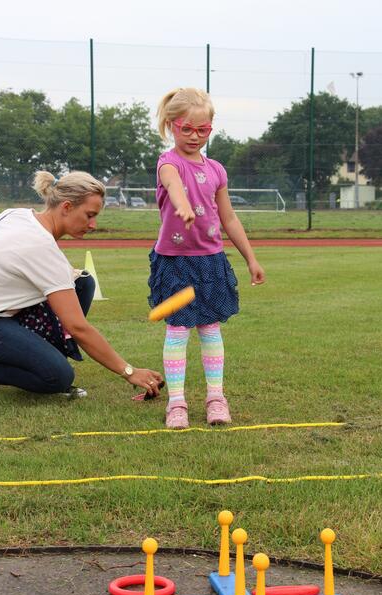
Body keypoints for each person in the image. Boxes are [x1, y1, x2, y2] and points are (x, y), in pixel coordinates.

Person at [0, 170, 163, 398]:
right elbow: (78, 327)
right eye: (89, 215)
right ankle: (45, 363)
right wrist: (129, 371)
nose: (93, 224)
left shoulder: (15, 214)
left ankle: (48, 353)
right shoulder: (42, 249)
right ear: (67, 207)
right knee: (57, 376)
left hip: (1, 311)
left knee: (83, 282)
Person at [148, 88, 265, 429]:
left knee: (210, 329)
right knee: (177, 329)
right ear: (172, 126)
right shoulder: (168, 162)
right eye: (187, 129)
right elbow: (173, 184)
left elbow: (229, 218)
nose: (194, 136)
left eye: (203, 130)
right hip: (175, 263)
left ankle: (216, 398)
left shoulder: (217, 170)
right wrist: (182, 204)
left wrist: (251, 259)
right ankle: (176, 403)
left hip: (211, 261)